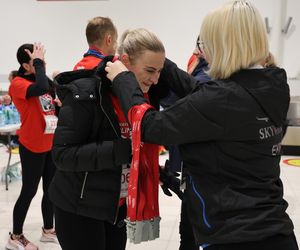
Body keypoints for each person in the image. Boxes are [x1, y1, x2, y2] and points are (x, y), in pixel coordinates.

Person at [104, 1, 299, 249]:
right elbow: (204, 93)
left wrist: (123, 79)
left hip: (234, 236)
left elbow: (150, 126)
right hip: (275, 231)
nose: (202, 52)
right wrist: (163, 64)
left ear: (223, 44)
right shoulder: (272, 85)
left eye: (205, 44)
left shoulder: (222, 100)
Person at [49, 26, 180, 249]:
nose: (155, 80)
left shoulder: (142, 100)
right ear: (125, 62)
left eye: (159, 72)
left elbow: (135, 150)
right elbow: (63, 155)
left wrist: (155, 171)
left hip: (116, 207)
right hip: (79, 207)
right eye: (150, 71)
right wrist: (126, 150)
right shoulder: (85, 92)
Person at [6, 43, 58, 250]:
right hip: (32, 145)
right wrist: (39, 65)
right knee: (28, 191)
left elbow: (53, 89)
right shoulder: (17, 84)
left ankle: (48, 230)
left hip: (50, 144)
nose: (41, 65)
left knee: (51, 190)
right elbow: (42, 88)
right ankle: (15, 236)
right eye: (36, 62)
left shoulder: (40, 78)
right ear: (25, 66)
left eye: (42, 61)